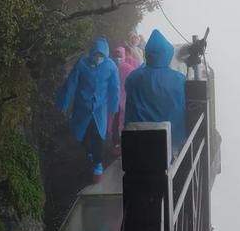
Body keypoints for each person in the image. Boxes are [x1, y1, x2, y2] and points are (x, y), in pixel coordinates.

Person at [56, 37, 119, 181]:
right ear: (92, 53)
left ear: (106, 55)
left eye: (101, 56)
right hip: (82, 107)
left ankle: (98, 165)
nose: (98, 58)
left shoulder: (110, 66)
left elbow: (114, 88)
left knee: (98, 136)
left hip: (99, 110)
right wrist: (64, 102)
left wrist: (113, 107)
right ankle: (89, 151)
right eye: (96, 55)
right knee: (82, 134)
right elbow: (71, 82)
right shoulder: (82, 63)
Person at [125, 29, 186, 155]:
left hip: (137, 136)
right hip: (170, 137)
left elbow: (128, 87)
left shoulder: (134, 77)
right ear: (167, 54)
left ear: (147, 54)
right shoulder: (178, 79)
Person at [106, 47, 135, 154]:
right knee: (114, 121)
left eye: (120, 56)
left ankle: (122, 143)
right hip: (113, 99)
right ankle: (116, 144)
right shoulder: (110, 67)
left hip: (124, 99)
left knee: (122, 122)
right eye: (116, 56)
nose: (118, 58)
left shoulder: (129, 68)